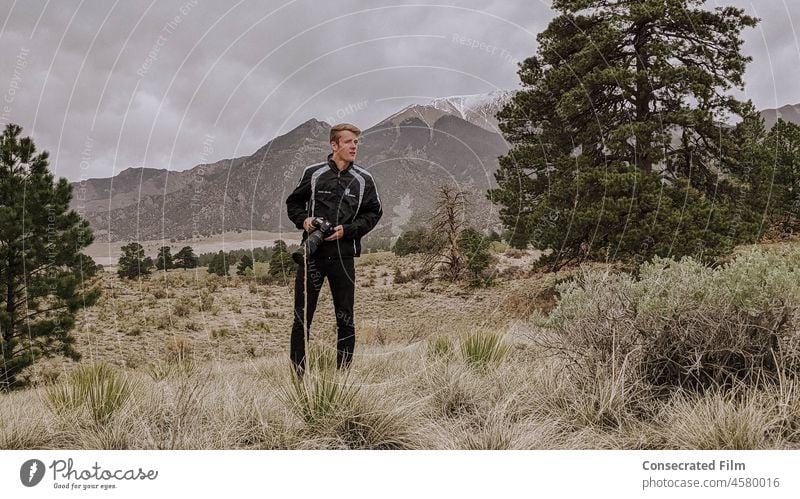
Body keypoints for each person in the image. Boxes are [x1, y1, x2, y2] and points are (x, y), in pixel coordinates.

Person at [285, 123, 382, 376]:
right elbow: (293, 203)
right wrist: (304, 221)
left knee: (345, 318)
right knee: (302, 318)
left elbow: (374, 213)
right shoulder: (313, 173)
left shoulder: (364, 179)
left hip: (343, 256)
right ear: (334, 145)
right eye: (349, 142)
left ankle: (344, 373)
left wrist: (347, 230)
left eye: (356, 143)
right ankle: (298, 375)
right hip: (312, 255)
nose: (354, 147)